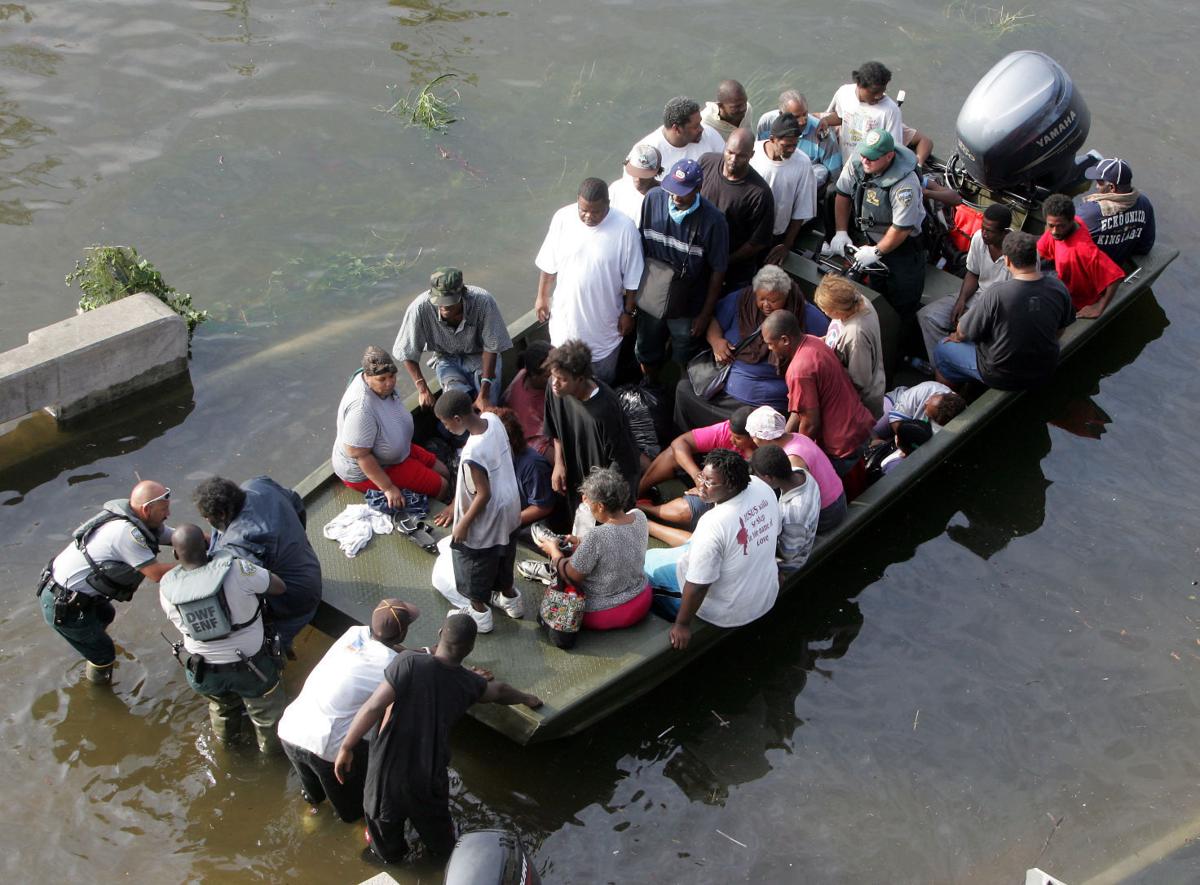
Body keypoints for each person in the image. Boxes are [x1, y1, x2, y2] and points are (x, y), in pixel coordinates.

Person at [335, 613, 542, 863]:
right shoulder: (469, 683)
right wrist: (527, 698)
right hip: (429, 778)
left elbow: (373, 707)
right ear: (470, 648)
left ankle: (394, 862)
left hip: (385, 780)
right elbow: (499, 691)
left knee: (387, 850)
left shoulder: (409, 663)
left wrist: (346, 746)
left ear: (440, 633)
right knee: (442, 844)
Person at [278, 599, 418, 822]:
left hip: (291, 727)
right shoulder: (394, 667)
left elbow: (392, 650)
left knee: (312, 789)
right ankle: (353, 824)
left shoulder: (354, 633)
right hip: (325, 746)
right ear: (402, 634)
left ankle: (311, 813)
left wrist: (423, 651)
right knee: (350, 806)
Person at [159, 524, 286, 752]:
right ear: (207, 545)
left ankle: (228, 748)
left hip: (204, 673)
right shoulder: (237, 569)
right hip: (253, 668)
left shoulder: (166, 588)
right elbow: (279, 587)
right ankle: (272, 755)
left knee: (222, 708)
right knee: (266, 714)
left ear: (175, 554)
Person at [38, 480, 176, 684]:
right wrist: (199, 565)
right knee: (104, 654)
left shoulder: (141, 521)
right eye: (164, 510)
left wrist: (211, 542)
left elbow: (179, 536)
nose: (168, 514)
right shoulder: (126, 534)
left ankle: (87, 643)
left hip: (73, 592)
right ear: (147, 510)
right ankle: (96, 691)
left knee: (106, 614)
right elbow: (156, 573)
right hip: (62, 603)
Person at [642, 449, 781, 649]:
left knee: (646, 562)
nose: (701, 486)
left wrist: (682, 625)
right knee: (701, 546)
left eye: (709, 482)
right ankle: (649, 526)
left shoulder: (713, 523)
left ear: (731, 485)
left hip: (727, 609)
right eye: (702, 477)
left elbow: (698, 586)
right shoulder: (761, 487)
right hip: (765, 593)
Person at [674, 264, 827, 430]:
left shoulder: (806, 314)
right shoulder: (742, 299)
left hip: (766, 406)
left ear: (786, 295)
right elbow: (714, 320)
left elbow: (824, 346)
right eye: (761, 299)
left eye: (773, 300)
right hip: (723, 393)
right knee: (684, 390)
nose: (766, 305)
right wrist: (716, 341)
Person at [193, 475, 322, 653]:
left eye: (207, 517)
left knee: (270, 649)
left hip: (296, 600)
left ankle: (280, 652)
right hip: (308, 565)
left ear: (221, 514)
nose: (207, 521)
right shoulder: (258, 485)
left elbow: (243, 590)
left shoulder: (241, 543)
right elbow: (296, 503)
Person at [534, 177, 644, 384]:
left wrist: (629, 313)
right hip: (565, 323)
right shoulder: (562, 218)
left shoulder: (625, 228)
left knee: (601, 382)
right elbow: (548, 264)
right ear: (577, 200)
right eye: (583, 210)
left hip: (604, 328)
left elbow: (633, 279)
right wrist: (542, 297)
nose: (588, 216)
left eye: (596, 212)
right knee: (563, 379)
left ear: (607, 204)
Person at [934, 231, 1075, 390]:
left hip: (1002, 375)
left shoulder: (997, 293)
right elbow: (1060, 330)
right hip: (1045, 367)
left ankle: (954, 399)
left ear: (1007, 260)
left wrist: (955, 335)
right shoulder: (1058, 287)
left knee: (942, 349)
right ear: (1034, 257)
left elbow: (963, 332)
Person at [433, 391, 524, 634]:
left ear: (457, 419)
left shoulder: (473, 452)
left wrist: (463, 524)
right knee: (505, 555)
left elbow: (483, 494)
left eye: (446, 423)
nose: (446, 428)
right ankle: (511, 600)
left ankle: (479, 615)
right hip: (510, 505)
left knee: (472, 565)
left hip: (488, 517)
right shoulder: (493, 420)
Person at [529, 467, 652, 635]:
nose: (585, 501)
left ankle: (548, 570)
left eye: (589, 500)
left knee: (563, 573)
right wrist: (580, 542)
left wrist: (554, 552)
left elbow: (571, 576)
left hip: (607, 611)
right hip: (641, 598)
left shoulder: (597, 536)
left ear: (600, 506)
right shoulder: (639, 516)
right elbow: (618, 544)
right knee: (576, 556)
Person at [636, 158, 729, 374]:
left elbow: (718, 270)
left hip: (688, 304)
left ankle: (680, 383)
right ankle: (649, 383)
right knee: (646, 347)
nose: (676, 196)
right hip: (651, 296)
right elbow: (640, 247)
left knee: (684, 350)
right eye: (672, 189)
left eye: (683, 192)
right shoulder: (652, 199)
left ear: (698, 188)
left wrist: (705, 314)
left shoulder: (714, 221)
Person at [332, 346, 452, 507]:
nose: (389, 383)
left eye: (392, 376)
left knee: (444, 471)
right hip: (372, 469)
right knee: (442, 486)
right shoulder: (361, 409)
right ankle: (440, 510)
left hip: (398, 451)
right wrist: (388, 488)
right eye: (382, 379)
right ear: (367, 376)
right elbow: (359, 454)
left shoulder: (379, 385)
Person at [829, 128, 927, 324]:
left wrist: (876, 252)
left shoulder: (905, 184)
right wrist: (841, 231)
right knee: (875, 292)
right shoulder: (859, 162)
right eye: (864, 155)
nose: (865, 160)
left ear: (889, 156)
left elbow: (902, 228)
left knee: (903, 301)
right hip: (870, 239)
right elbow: (843, 194)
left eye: (872, 158)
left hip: (903, 248)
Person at [761, 309, 875, 476]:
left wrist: (797, 452)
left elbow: (810, 423)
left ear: (785, 340)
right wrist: (784, 437)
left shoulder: (799, 371)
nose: (770, 348)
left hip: (841, 445)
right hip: (858, 426)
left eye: (771, 344)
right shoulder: (813, 341)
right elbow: (800, 409)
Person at [542, 339, 643, 514]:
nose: (555, 383)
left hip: (603, 492)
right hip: (575, 481)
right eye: (553, 376)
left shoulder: (606, 409)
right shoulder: (555, 389)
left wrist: (598, 496)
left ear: (580, 379)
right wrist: (559, 463)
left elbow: (623, 463)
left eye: (562, 379)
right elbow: (555, 429)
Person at [394, 267, 513, 412]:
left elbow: (492, 347)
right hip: (447, 358)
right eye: (439, 301)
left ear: (463, 294)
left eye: (449, 302)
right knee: (457, 406)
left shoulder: (483, 301)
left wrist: (484, 394)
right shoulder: (419, 308)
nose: (443, 306)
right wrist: (422, 388)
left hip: (480, 355)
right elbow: (406, 351)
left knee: (488, 406)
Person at [917, 204, 1013, 363]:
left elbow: (1014, 299)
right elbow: (973, 273)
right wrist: (961, 300)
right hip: (977, 296)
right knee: (928, 316)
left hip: (1000, 310)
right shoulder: (979, 238)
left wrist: (974, 316)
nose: (984, 233)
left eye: (989, 231)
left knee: (971, 333)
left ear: (1004, 232)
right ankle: (940, 366)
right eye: (983, 227)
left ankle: (959, 365)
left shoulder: (1017, 251)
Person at [744, 405, 847, 533]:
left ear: (763, 438)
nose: (753, 441)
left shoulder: (793, 459)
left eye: (753, 437)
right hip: (839, 498)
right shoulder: (797, 437)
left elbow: (800, 503)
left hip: (828, 512)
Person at [698, 129, 775, 289]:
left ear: (751, 155)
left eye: (741, 156)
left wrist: (723, 261)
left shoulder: (760, 193)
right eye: (730, 152)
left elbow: (758, 242)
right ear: (725, 146)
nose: (733, 160)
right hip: (697, 257)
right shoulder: (706, 162)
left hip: (732, 271)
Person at [637, 405, 756, 500]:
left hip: (736, 494)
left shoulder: (763, 447)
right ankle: (636, 495)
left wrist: (709, 491)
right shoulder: (724, 431)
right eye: (731, 434)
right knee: (671, 455)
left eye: (738, 438)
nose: (731, 440)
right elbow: (679, 443)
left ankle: (646, 509)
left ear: (753, 436)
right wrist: (697, 476)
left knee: (689, 508)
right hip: (713, 484)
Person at [1037, 193, 1125, 319]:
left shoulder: (1084, 250)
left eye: (1061, 226)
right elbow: (1039, 251)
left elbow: (1116, 276)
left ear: (1071, 221)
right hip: (1061, 274)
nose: (1055, 231)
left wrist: (1100, 307)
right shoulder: (1064, 228)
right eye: (1051, 225)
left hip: (1075, 299)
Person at [750, 112, 818, 266]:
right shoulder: (752, 153)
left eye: (795, 144)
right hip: (748, 230)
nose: (792, 149)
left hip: (775, 235)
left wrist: (786, 245)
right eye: (786, 145)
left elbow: (802, 208)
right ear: (772, 139)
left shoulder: (803, 163)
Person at [813, 275, 885, 418]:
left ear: (838, 311)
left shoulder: (856, 335)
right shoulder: (856, 300)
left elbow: (859, 380)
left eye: (825, 309)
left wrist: (827, 364)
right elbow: (839, 337)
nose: (823, 312)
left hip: (858, 408)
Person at [750, 444, 821, 572]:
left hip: (790, 563)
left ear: (769, 478)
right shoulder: (800, 472)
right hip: (796, 533)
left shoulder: (794, 516)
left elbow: (788, 554)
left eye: (757, 475)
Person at [820, 61, 905, 163]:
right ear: (859, 84)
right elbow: (840, 116)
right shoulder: (843, 93)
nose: (878, 96)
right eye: (874, 92)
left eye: (882, 91)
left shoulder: (891, 111)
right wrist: (825, 121)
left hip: (871, 166)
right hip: (846, 163)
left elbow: (894, 147)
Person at [756, 91, 842, 189]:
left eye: (805, 114)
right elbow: (760, 155)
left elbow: (835, 176)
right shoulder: (766, 124)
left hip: (804, 186)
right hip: (771, 176)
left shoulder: (821, 133)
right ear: (781, 114)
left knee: (821, 170)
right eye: (796, 117)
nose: (802, 121)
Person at [1077, 157, 1155, 266]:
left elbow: (1065, 241)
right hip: (1117, 267)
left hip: (1094, 270)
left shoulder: (1089, 212)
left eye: (1099, 182)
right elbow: (1145, 246)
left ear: (1112, 187)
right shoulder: (1144, 203)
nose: (1096, 186)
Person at [633, 96, 726, 180]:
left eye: (700, 123)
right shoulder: (647, 153)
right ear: (676, 129)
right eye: (695, 126)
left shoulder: (709, 134)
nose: (701, 129)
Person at [493, 407, 555, 530]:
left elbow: (543, 507)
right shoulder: (493, 457)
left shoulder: (532, 465)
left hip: (529, 527)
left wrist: (507, 522)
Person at [500, 340, 552, 457]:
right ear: (534, 375)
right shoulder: (526, 410)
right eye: (549, 375)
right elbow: (543, 449)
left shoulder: (527, 371)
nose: (556, 376)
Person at [872, 381, 965, 439]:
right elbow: (895, 420)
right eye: (931, 398)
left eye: (928, 412)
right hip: (897, 404)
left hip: (918, 427)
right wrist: (904, 442)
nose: (926, 402)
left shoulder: (950, 426)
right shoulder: (924, 390)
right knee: (871, 430)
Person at [610, 143, 662, 224]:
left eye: (644, 175)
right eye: (635, 172)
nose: (638, 179)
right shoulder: (616, 189)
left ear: (657, 172)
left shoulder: (667, 197)